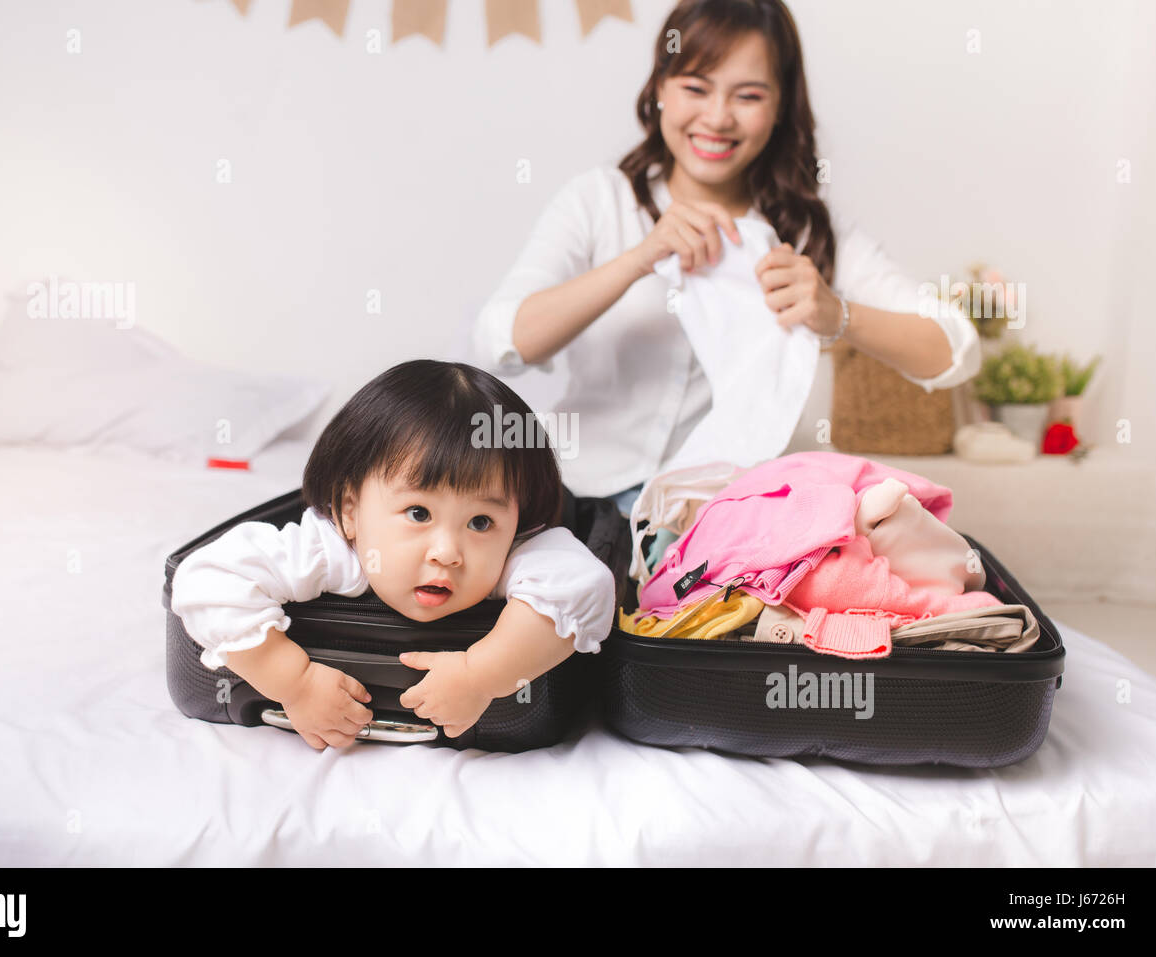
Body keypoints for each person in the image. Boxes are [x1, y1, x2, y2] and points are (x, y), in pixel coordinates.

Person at [471, 0, 979, 519]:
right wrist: (638, 260)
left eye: (749, 95)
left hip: (723, 521)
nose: (717, 117)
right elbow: (500, 340)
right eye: (695, 87)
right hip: (579, 499)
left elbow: (955, 351)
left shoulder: (808, 234)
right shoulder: (600, 201)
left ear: (781, 105)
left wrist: (836, 315)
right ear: (660, 90)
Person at [170, 360, 616, 750]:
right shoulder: (330, 547)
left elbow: (585, 585)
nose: (447, 553)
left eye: (481, 522)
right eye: (418, 512)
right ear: (350, 512)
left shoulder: (513, 556)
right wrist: (294, 682)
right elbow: (206, 578)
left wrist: (480, 675)